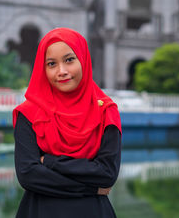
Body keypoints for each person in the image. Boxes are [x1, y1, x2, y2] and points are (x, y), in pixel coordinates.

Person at [12, 28, 122, 218]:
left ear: (84, 60)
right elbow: (28, 175)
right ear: (43, 68)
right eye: (52, 64)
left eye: (69, 60)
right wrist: (90, 188)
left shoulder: (105, 111)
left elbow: (107, 174)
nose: (61, 71)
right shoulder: (29, 113)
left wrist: (51, 161)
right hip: (41, 211)